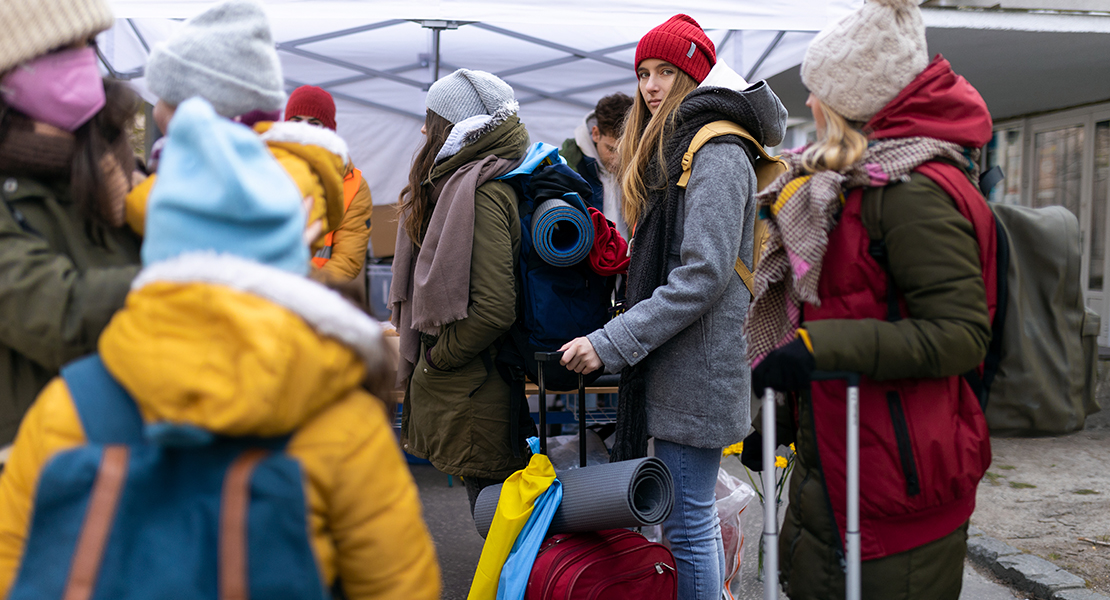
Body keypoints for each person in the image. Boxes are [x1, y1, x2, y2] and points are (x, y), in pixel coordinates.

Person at [0, 97, 441, 600]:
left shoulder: (67, 407)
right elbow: (400, 585)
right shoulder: (342, 421)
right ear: (290, 257)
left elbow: (14, 569)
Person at [744, 0, 994, 597]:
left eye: (818, 90)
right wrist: (793, 415)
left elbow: (960, 334)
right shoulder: (855, 181)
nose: (809, 103)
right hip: (842, 454)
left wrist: (815, 349)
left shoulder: (912, 192)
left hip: (895, 479)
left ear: (854, 100)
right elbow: (862, 308)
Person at [559, 14, 787, 600]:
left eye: (667, 71)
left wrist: (610, 343)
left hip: (697, 367)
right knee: (684, 522)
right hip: (680, 362)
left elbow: (703, 275)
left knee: (687, 525)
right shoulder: (680, 146)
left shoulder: (716, 150)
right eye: (644, 73)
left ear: (695, 76)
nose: (652, 85)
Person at [0, 0, 144, 444]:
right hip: (36, 466)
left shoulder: (119, 166)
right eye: (62, 48)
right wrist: (192, 277)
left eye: (91, 43)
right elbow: (61, 314)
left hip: (137, 453)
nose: (84, 60)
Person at [390, 68, 530, 514]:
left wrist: (439, 358)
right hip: (472, 385)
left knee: (495, 523)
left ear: (452, 128)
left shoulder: (481, 192)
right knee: (493, 519)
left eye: (430, 120)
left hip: (475, 387)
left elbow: (493, 309)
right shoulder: (460, 185)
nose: (423, 130)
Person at [125, 0, 348, 255]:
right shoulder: (256, 163)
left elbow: (167, 213)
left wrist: (131, 190)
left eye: (167, 101)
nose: (157, 112)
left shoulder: (279, 168)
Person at [285, 85, 374, 281]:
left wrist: (306, 289)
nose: (304, 129)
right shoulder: (266, 166)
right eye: (296, 120)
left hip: (315, 294)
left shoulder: (354, 185)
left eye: (314, 123)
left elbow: (347, 260)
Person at [560, 92, 634, 239]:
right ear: (595, 134)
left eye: (624, 150)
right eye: (611, 149)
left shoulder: (644, 161)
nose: (618, 159)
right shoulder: (568, 164)